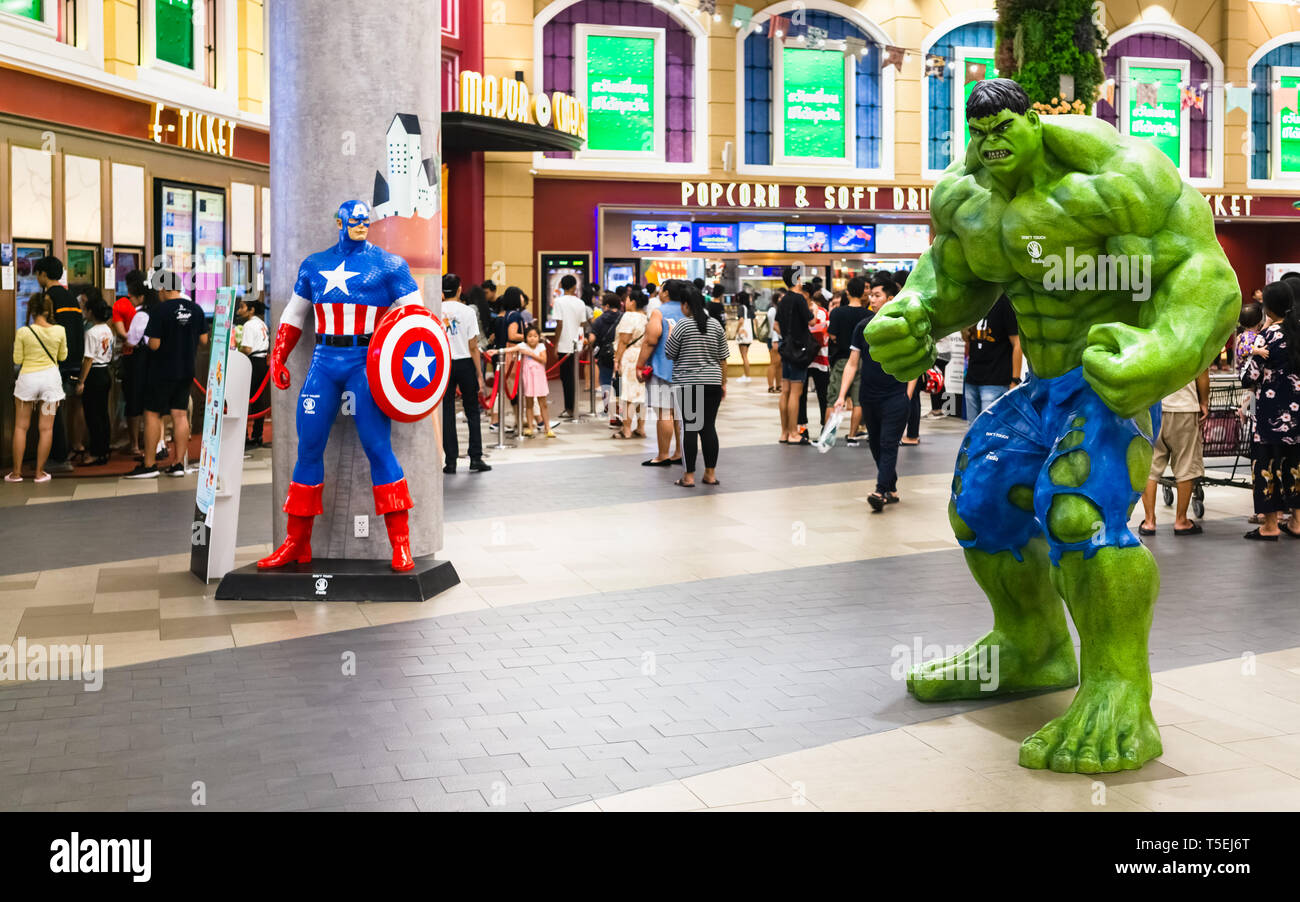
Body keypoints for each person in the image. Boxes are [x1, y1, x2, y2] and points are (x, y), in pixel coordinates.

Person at [833, 276, 914, 510]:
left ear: (890, 299)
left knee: (889, 443)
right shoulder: (864, 327)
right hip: (868, 396)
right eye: (871, 295)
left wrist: (907, 393)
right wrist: (842, 395)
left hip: (895, 397)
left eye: (877, 295)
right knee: (876, 445)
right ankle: (891, 486)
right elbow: (852, 363)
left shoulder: (902, 326)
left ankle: (880, 491)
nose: (872, 299)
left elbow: (912, 363)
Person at [126, 270, 208, 478]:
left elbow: (154, 344)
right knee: (180, 414)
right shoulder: (196, 309)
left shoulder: (159, 310)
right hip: (187, 369)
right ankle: (178, 464)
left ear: (163, 289)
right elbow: (205, 340)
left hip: (161, 370)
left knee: (153, 413)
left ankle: (150, 464)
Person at [1241, 281, 1300, 540]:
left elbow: (1248, 376)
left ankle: (1270, 526)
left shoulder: (1268, 336)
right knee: (1294, 466)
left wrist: (1252, 351)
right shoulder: (1297, 332)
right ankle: (1297, 523)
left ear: (1267, 307)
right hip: (1297, 416)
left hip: (1269, 419)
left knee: (1267, 466)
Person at [665, 284, 728, 487]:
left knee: (690, 429)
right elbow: (723, 358)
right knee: (709, 428)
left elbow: (669, 353)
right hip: (712, 383)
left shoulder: (682, 325)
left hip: (688, 384)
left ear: (685, 305)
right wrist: (723, 383)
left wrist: (671, 332)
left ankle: (689, 477)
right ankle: (710, 474)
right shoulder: (716, 325)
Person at [1138, 371, 1210, 536]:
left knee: (1151, 465)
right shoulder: (1192, 343)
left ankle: (1149, 522)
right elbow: (1202, 371)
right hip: (1185, 407)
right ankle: (1181, 521)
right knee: (1186, 464)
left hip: (1154, 408)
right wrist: (1204, 402)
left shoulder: (1151, 343)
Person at [7, 293, 67, 483]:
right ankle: (40, 473)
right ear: (48, 310)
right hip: (50, 383)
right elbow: (63, 357)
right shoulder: (59, 331)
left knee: (21, 427)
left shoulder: (24, 332)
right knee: (46, 429)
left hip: (28, 382)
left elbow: (17, 360)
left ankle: (16, 473)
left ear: (31, 310)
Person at [33, 256, 81, 470]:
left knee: (51, 410)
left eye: (37, 274)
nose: (37, 278)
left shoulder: (48, 298)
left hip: (54, 363)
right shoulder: (71, 297)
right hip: (72, 361)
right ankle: (66, 451)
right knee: (60, 408)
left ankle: (59, 457)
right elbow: (78, 331)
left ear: (43, 274)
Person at [440, 273, 491, 474]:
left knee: (447, 411)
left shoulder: (435, 310)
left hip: (444, 364)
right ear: (460, 289)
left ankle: (450, 460)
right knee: (472, 410)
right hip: (465, 363)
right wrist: (479, 374)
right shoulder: (468, 311)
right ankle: (475, 457)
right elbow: (473, 346)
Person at [636, 279, 686, 466]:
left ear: (666, 293)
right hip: (686, 369)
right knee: (681, 414)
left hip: (663, 367)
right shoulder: (689, 310)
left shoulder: (659, 312)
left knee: (665, 412)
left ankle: (663, 455)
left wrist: (640, 365)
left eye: (661, 289)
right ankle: (680, 452)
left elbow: (651, 340)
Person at [963, 294, 1022, 420]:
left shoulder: (1005, 302)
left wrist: (1015, 380)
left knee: (987, 429)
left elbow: (1017, 344)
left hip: (996, 380)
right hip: (972, 377)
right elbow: (968, 339)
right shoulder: (975, 302)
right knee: (972, 429)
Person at [774, 268, 814, 443]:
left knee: (785, 391)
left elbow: (776, 325)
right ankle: (793, 433)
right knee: (795, 393)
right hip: (798, 350)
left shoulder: (782, 301)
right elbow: (811, 320)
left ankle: (784, 432)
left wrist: (786, 336)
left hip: (785, 348)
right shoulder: (799, 299)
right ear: (797, 279)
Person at [829, 276, 870, 445]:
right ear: (863, 293)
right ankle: (853, 435)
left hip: (841, 359)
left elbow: (832, 335)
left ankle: (829, 434)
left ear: (847, 292)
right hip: (862, 360)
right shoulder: (869, 315)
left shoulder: (838, 312)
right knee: (858, 400)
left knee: (834, 397)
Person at [78, 294, 115, 466]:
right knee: (102, 414)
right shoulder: (108, 329)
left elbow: (88, 359)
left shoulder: (91, 332)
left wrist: (81, 381)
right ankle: (104, 450)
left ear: (91, 312)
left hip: (93, 374)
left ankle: (95, 452)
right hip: (105, 373)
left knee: (92, 415)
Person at [113, 270, 147, 455]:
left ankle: (134, 444)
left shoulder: (120, 305)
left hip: (131, 357)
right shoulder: (153, 305)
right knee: (149, 402)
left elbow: (121, 333)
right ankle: (156, 442)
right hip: (150, 357)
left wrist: (132, 339)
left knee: (132, 401)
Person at [551, 274, 589, 419]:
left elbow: (559, 324)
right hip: (576, 343)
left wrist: (556, 344)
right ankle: (572, 407)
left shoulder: (559, 302)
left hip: (564, 344)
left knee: (565, 377)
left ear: (561, 285)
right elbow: (582, 324)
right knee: (573, 376)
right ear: (574, 286)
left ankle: (569, 408)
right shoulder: (580, 303)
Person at [613, 290, 649, 441]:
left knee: (627, 394)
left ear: (632, 302)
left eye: (627, 300)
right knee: (640, 394)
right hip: (643, 356)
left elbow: (624, 340)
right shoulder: (645, 317)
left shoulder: (629, 316)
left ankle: (626, 429)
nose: (625, 303)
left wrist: (617, 359)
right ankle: (640, 428)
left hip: (630, 357)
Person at [236, 298, 271, 448]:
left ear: (251, 310)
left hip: (253, 362)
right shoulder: (262, 323)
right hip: (263, 362)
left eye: (242, 307)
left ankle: (243, 436)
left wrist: (236, 351)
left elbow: (247, 349)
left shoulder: (249, 325)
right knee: (258, 400)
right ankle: (258, 434)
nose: (239, 310)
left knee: (242, 399)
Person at [512, 324, 554, 438]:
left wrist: (530, 354)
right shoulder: (522, 346)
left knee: (543, 404)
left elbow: (543, 359)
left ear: (539, 337)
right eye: (530, 336)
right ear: (525, 337)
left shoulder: (541, 346)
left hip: (539, 378)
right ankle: (530, 427)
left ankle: (548, 428)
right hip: (528, 377)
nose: (532, 338)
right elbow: (511, 349)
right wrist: (496, 352)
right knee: (529, 403)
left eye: (535, 336)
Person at [589, 292, 623, 422]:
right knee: (620, 383)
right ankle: (621, 411)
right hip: (620, 355)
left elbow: (592, 338)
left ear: (607, 306)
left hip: (605, 355)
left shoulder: (599, 320)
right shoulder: (623, 317)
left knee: (605, 382)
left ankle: (610, 411)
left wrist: (592, 346)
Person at [1234, 303, 1263, 377]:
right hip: (1246, 371)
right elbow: (1242, 350)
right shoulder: (1247, 336)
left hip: (1248, 370)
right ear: (1259, 321)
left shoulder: (1247, 334)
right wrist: (1257, 351)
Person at [734, 290, 754, 382]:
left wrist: (737, 330)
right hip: (749, 334)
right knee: (745, 355)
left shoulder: (741, 307)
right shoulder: (750, 307)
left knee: (744, 356)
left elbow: (741, 320)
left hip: (743, 334)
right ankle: (746, 375)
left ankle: (747, 376)